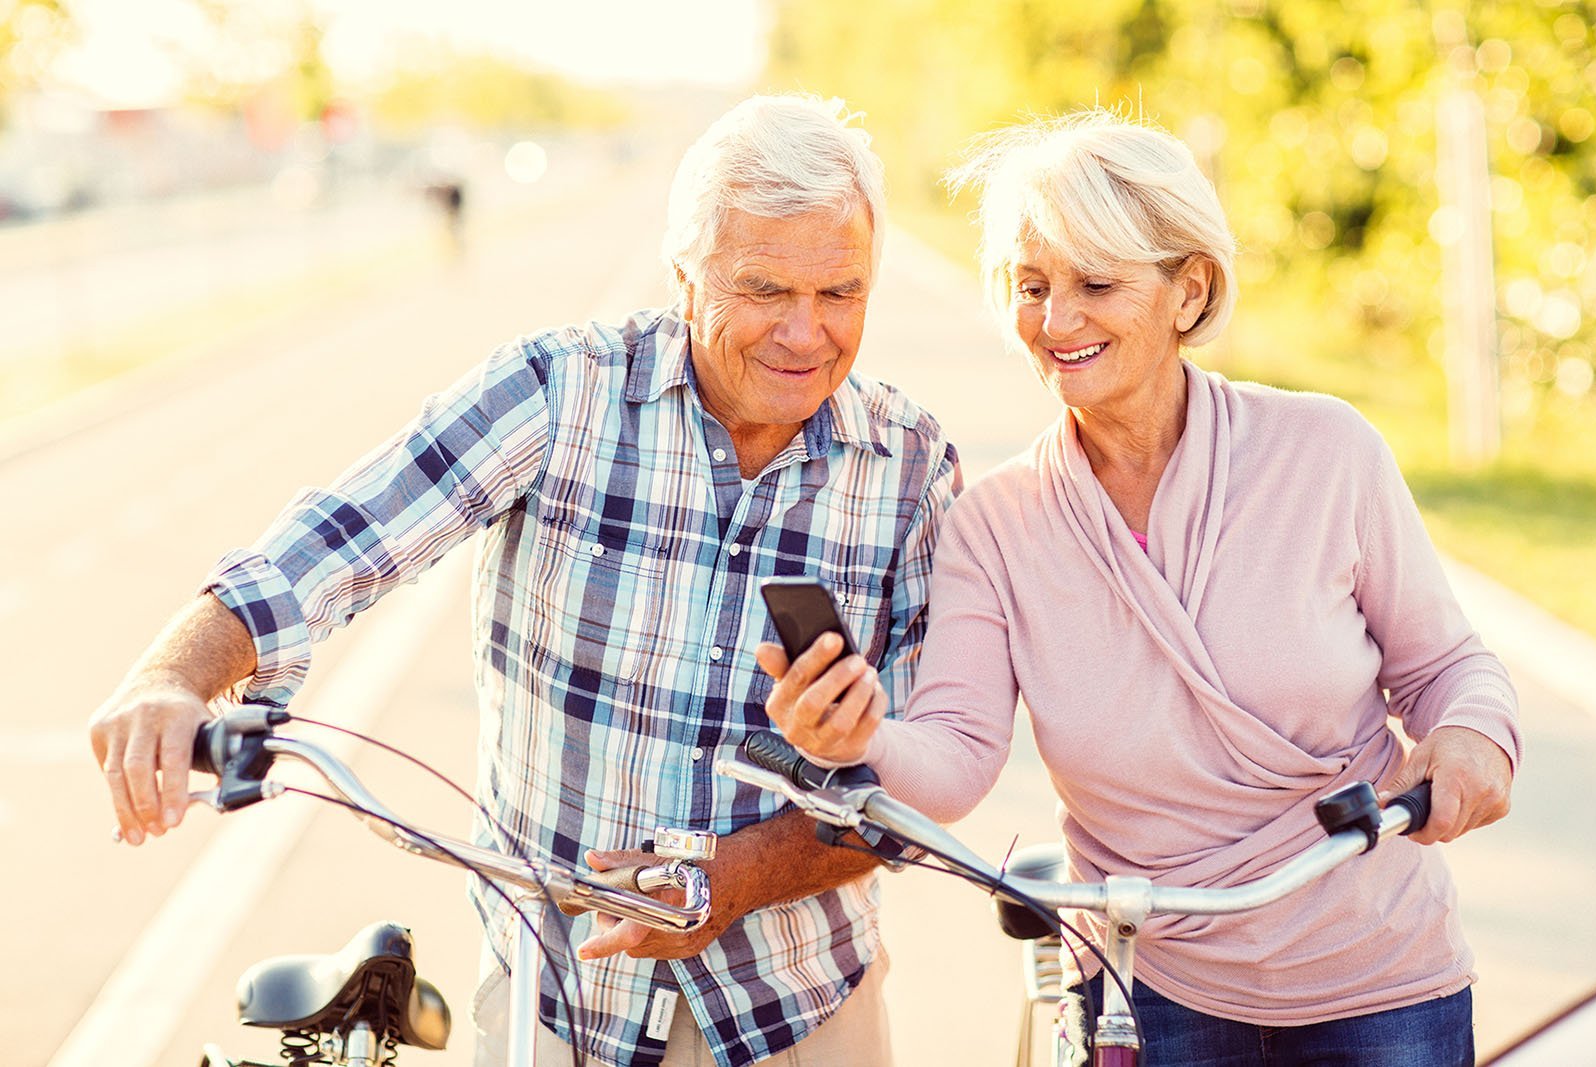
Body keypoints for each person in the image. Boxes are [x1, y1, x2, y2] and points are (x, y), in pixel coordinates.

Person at [87, 94, 960, 1067]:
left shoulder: (912, 465)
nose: (806, 335)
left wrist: (744, 873)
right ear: (685, 277)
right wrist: (174, 673)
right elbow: (338, 538)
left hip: (800, 1006)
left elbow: (928, 770)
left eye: (840, 293)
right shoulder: (560, 392)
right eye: (763, 290)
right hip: (560, 992)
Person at [761, 110, 1518, 1067]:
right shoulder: (995, 523)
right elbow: (954, 758)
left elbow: (1450, 668)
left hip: (1380, 984)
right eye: (1032, 287)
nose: (1056, 320)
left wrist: (1472, 736)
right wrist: (861, 736)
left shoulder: (1329, 452)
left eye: (1096, 284)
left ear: (1188, 288)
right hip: (1154, 989)